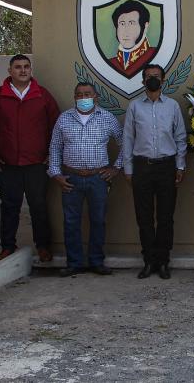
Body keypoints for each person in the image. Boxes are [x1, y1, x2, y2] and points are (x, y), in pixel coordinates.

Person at [0, 54, 60, 262]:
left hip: (36, 164)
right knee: (9, 207)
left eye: (26, 67)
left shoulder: (42, 95)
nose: (23, 70)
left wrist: (51, 155)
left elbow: (56, 127)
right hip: (7, 165)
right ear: (10, 71)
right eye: (18, 67)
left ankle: (43, 246)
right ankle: (7, 246)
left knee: (39, 206)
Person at [48, 82, 123, 277]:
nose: (83, 98)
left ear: (96, 97)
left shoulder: (107, 118)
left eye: (87, 94)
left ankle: (96, 261)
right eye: (79, 95)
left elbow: (126, 143)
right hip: (70, 178)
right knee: (71, 221)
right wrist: (55, 174)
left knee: (98, 220)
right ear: (74, 98)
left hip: (98, 178)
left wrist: (116, 168)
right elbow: (55, 147)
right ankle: (74, 263)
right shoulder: (64, 118)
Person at [121, 64, 187, 279]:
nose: (152, 80)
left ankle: (164, 261)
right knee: (144, 217)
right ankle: (149, 261)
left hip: (167, 167)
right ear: (142, 81)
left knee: (166, 217)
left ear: (163, 80)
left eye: (156, 77)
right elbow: (128, 138)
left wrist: (180, 165)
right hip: (142, 167)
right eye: (148, 77)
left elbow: (180, 137)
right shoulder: (134, 107)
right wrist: (128, 169)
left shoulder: (173, 106)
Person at [109, 0, 157, 77]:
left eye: (131, 23)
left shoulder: (155, 55)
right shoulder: (111, 63)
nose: (126, 30)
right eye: (122, 24)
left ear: (145, 27)